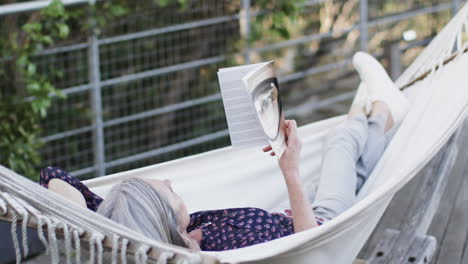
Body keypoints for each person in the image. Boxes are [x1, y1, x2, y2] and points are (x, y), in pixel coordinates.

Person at [39, 52, 410, 251]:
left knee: (358, 170)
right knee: (340, 143)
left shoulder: (149, 230)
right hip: (325, 222)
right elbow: (309, 246)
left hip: (301, 210)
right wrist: (290, 171)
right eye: (167, 190)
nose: (171, 181)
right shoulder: (220, 247)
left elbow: (53, 177)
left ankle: (370, 113)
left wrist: (100, 227)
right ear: (164, 219)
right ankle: (377, 111)